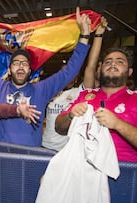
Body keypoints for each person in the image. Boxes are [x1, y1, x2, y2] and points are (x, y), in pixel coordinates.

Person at [0, 5, 92, 146]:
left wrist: (85, 36)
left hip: (31, 159)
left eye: (25, 63)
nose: (20, 66)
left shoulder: (41, 90)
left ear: (29, 71)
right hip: (5, 158)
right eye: (16, 63)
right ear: (9, 70)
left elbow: (69, 71)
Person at [55, 47, 137, 162]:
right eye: (107, 62)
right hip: (83, 169)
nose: (112, 64)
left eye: (120, 61)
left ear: (129, 72)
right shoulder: (84, 96)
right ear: (101, 69)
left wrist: (118, 124)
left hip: (124, 172)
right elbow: (59, 127)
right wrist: (70, 116)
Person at [42, 17, 108, 151]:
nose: (65, 78)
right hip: (44, 148)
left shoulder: (79, 93)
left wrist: (98, 35)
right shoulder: (50, 93)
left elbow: (91, 67)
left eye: (69, 75)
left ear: (74, 77)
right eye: (62, 74)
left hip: (65, 152)